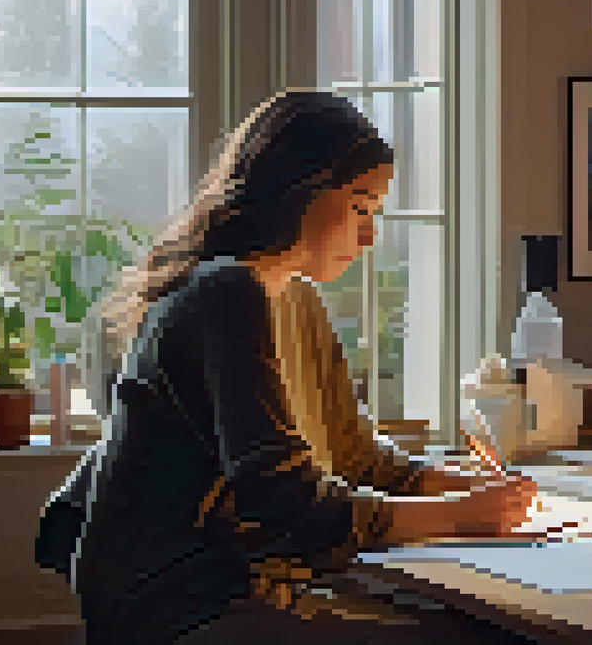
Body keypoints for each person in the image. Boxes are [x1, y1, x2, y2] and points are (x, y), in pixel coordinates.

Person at [75, 91, 537, 644]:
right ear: (300, 189)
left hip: (259, 585)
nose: (369, 236)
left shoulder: (294, 297)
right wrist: (459, 516)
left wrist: (464, 486)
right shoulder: (227, 292)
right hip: (185, 605)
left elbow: (354, 457)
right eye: (361, 207)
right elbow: (288, 504)